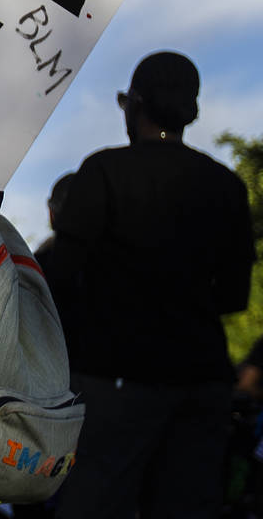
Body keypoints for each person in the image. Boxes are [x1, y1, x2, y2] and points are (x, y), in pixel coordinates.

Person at [49, 51, 253, 519]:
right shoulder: (225, 185)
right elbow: (234, 296)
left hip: (113, 380)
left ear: (134, 105)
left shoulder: (102, 171)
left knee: (95, 502)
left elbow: (60, 279)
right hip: (201, 379)